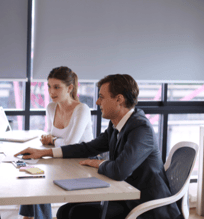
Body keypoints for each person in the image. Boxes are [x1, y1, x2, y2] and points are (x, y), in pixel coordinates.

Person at [15, 74, 183, 219]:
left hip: (145, 205)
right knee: (65, 211)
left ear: (119, 99)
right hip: (124, 196)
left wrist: (99, 163)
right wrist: (46, 153)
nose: (97, 101)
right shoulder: (116, 125)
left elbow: (119, 170)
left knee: (75, 214)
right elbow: (87, 148)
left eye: (102, 97)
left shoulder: (141, 128)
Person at [19, 66, 93, 219]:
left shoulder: (82, 109)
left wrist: (53, 140)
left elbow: (70, 144)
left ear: (69, 88)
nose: (51, 92)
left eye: (57, 87)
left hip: (83, 166)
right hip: (63, 161)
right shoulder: (51, 107)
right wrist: (52, 140)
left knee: (40, 184)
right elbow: (51, 139)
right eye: (49, 87)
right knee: (34, 180)